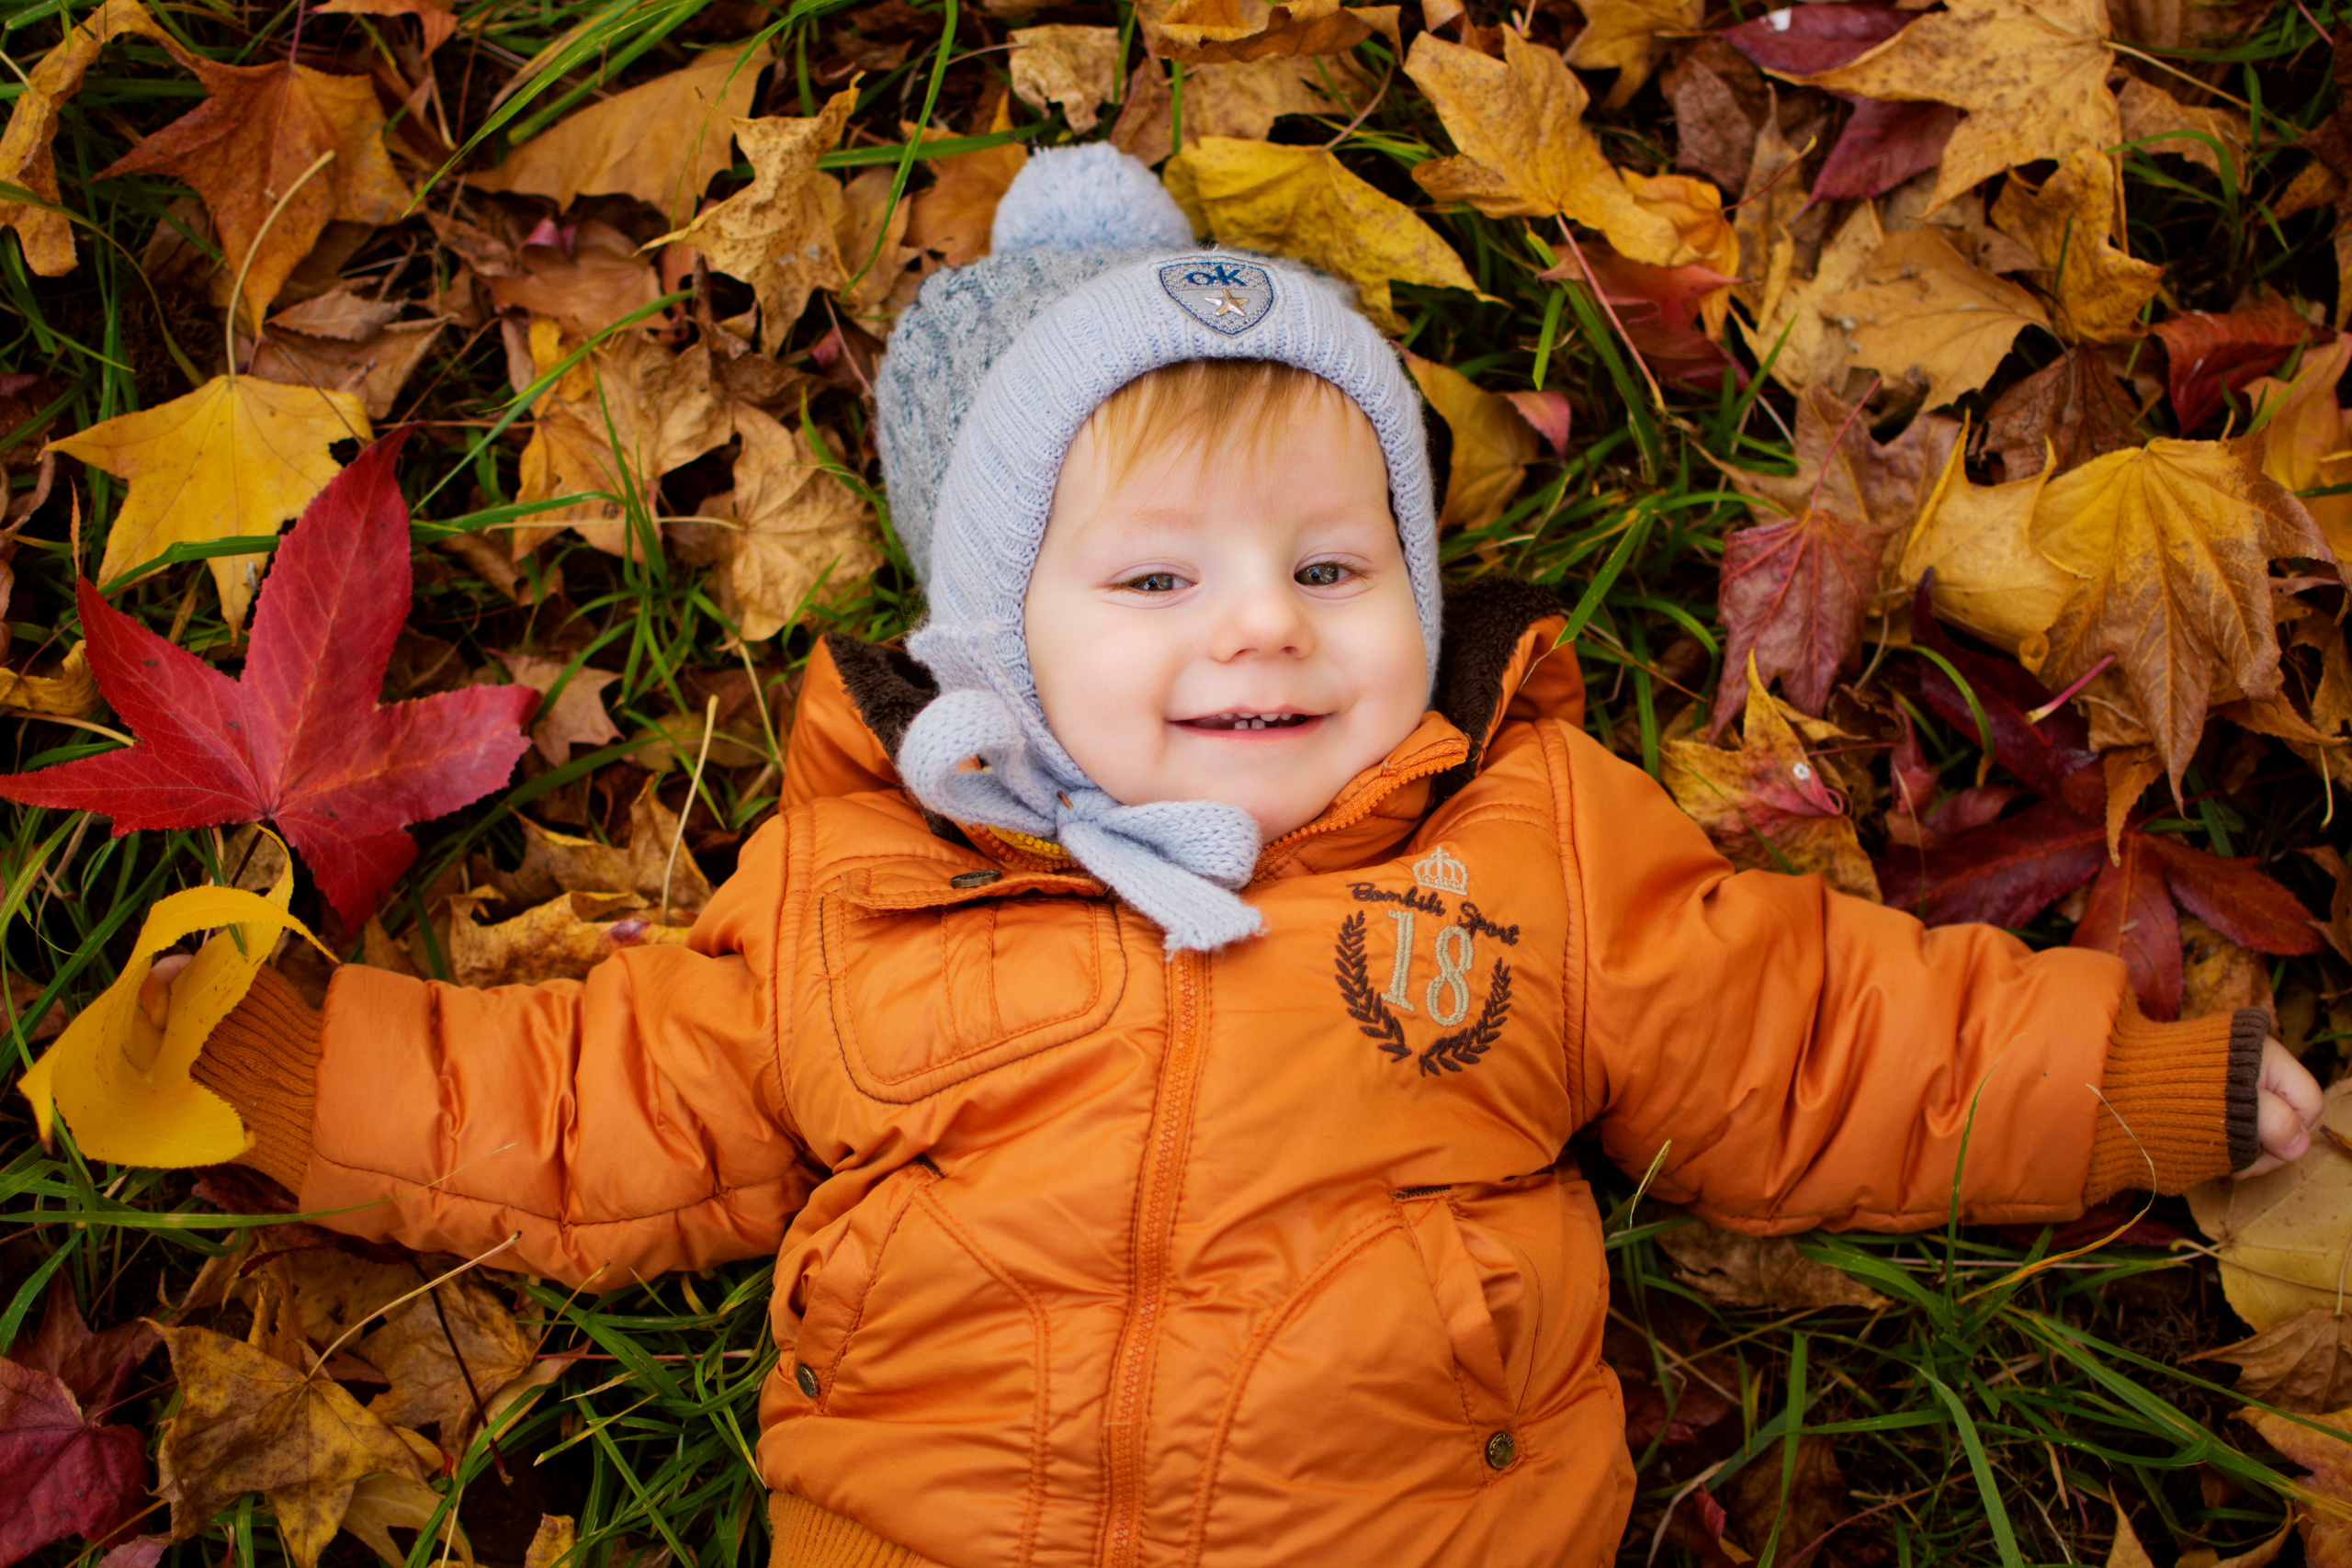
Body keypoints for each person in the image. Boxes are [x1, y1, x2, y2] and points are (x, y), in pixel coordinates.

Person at [174, 146, 2324, 1568]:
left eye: (1328, 557)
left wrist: (2137, 1081)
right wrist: (280, 1069)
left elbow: (1816, 1044)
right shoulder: (862, 875)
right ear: (995, 638)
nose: (1263, 622)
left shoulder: (1522, 841)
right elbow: (594, 1105)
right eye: (1156, 580)